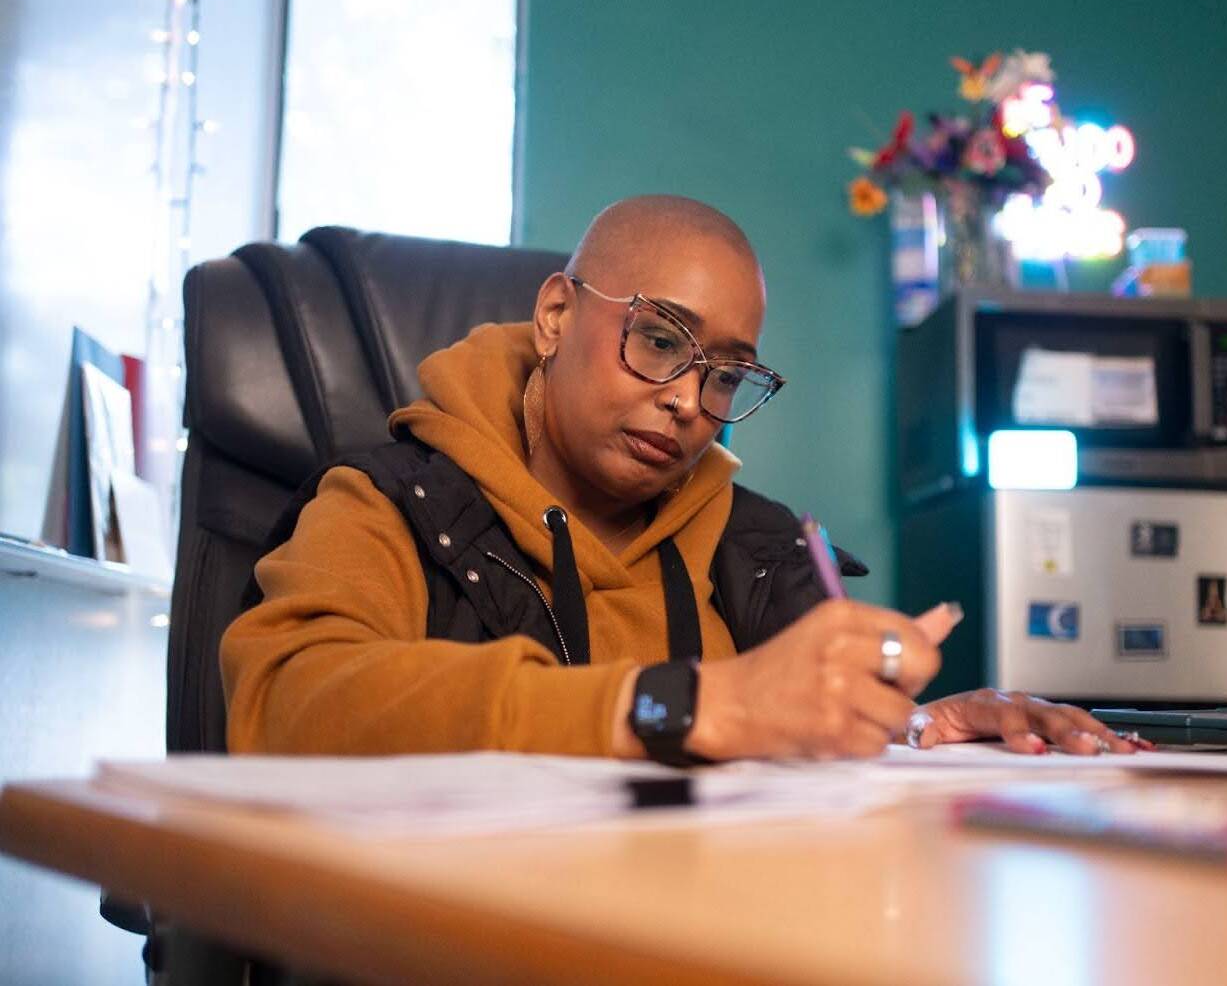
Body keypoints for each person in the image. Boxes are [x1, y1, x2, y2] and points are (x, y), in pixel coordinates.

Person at [221, 195, 1142, 763]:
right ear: (553, 316)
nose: (688, 402)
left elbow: (796, 742)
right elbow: (289, 703)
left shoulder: (754, 549)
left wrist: (913, 730)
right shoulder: (392, 502)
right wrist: (671, 706)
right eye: (660, 340)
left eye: (726, 374)